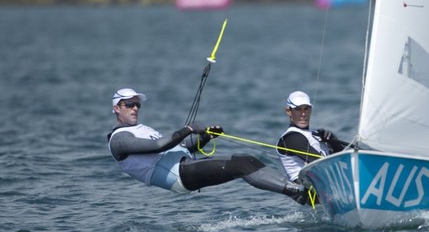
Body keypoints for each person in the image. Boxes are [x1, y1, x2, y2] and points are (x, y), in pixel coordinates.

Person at [107, 88, 310, 204]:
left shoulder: (141, 128)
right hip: (178, 175)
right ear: (116, 108)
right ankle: (300, 194)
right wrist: (187, 129)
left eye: (137, 105)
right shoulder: (119, 139)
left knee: (247, 161)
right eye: (129, 104)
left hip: (183, 166)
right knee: (241, 166)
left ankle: (297, 189)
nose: (135, 108)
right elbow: (159, 146)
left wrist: (206, 137)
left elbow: (184, 147)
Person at [276, 91, 348, 183]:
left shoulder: (315, 134)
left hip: (332, 183)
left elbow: (343, 159)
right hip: (310, 190)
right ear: (288, 111)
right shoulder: (292, 138)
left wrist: (333, 142)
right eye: (298, 109)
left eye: (306, 109)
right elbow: (321, 164)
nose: (303, 114)